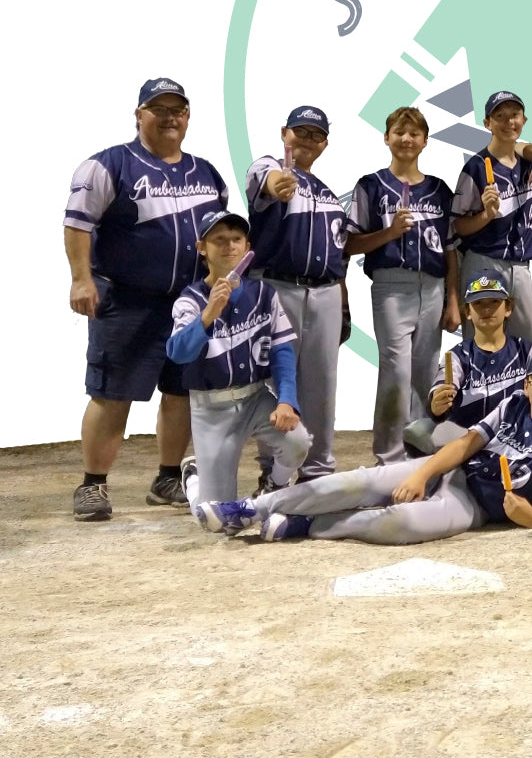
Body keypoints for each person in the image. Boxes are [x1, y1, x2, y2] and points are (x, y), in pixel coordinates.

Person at [194, 349, 532, 545]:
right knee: (357, 483)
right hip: (453, 473)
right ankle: (248, 509)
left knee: (399, 523)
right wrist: (422, 473)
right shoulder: (516, 404)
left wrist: (531, 517)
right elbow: (467, 444)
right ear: (526, 385)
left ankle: (307, 525)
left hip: (477, 507)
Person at [63, 78, 228, 521]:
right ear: (140, 114)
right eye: (160, 109)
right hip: (127, 300)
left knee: (180, 393)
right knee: (112, 393)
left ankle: (167, 477)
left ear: (188, 118)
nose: (170, 117)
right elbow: (78, 224)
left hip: (187, 302)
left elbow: (220, 237)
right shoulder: (107, 165)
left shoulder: (206, 172)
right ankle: (93, 484)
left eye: (179, 110)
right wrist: (82, 279)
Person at [166, 211, 311, 508]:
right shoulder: (191, 300)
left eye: (236, 239)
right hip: (212, 408)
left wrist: (287, 401)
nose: (229, 246)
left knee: (298, 441)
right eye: (219, 239)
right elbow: (178, 354)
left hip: (255, 399)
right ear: (202, 248)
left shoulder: (263, 293)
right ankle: (194, 479)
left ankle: (274, 484)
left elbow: (282, 351)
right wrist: (208, 315)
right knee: (218, 519)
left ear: (247, 247)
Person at [347, 107, 460, 464]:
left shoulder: (440, 189)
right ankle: (389, 453)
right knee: (396, 368)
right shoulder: (370, 185)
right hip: (391, 283)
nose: (406, 139)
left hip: (434, 284)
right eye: (399, 132)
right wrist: (389, 233)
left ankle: (420, 447)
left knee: (426, 369)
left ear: (425, 141)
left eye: (414, 134)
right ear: (387, 137)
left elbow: (451, 250)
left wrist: (453, 299)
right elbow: (350, 244)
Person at [246, 105, 348, 493]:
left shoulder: (328, 194)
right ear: (285, 133)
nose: (307, 140)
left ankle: (318, 468)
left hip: (324, 291)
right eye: (300, 132)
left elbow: (340, 256)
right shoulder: (269, 165)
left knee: (322, 382)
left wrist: (343, 304)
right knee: (277, 380)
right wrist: (278, 183)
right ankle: (274, 469)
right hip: (277, 286)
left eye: (315, 135)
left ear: (324, 142)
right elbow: (269, 182)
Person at [451, 90, 532, 346]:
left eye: (515, 115)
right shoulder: (475, 167)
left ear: (524, 119)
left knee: (530, 348)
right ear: (487, 123)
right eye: (500, 116)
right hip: (483, 263)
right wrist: (486, 215)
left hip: (521, 266)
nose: (509, 122)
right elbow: (457, 227)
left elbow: (526, 150)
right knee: (480, 346)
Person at [402, 269, 532, 456]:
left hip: (517, 442)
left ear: (508, 308)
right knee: (421, 430)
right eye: (478, 303)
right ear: (468, 312)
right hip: (469, 445)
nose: (487, 309)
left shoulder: (527, 351)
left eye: (494, 302)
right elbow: (442, 386)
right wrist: (437, 404)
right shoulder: (457, 356)